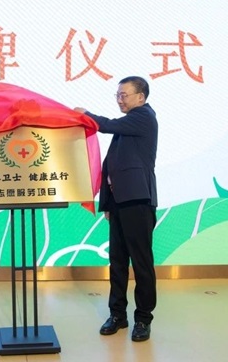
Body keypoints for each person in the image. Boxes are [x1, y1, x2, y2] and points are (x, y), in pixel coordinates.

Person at [75, 76, 158, 343]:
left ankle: (143, 319)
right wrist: (108, 203)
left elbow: (107, 125)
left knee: (141, 263)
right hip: (119, 203)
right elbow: (113, 166)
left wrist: (86, 115)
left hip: (137, 201)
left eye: (125, 95)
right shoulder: (129, 124)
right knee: (118, 261)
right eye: (118, 95)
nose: (120, 99)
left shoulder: (143, 117)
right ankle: (117, 315)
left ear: (140, 97)